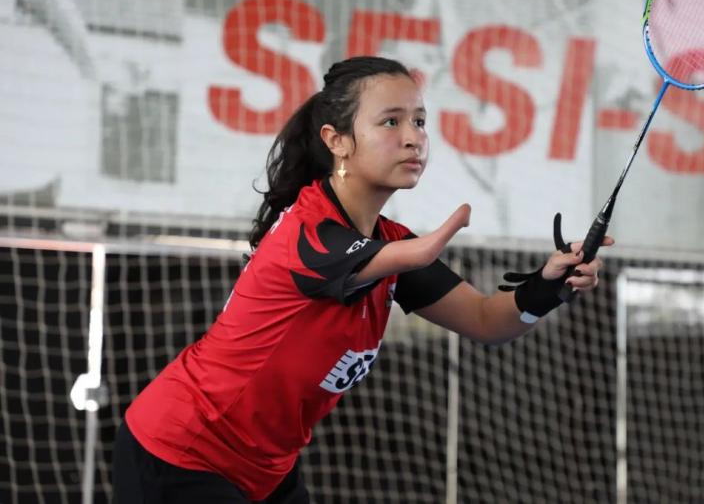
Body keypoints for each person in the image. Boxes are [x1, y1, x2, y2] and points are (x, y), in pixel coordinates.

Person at [112, 56, 612, 503]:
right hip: (182, 451)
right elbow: (379, 258)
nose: (414, 136)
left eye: (419, 121)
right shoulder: (307, 234)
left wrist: (550, 284)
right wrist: (438, 238)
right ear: (338, 141)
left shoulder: (388, 243)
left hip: (267, 468)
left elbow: (487, 320)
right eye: (391, 122)